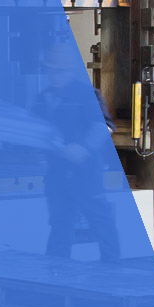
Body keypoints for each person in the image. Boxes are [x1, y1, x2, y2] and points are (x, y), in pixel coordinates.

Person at [33, 41, 122, 262]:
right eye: (51, 71)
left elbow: (104, 126)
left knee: (100, 221)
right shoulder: (43, 99)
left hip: (85, 172)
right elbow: (35, 127)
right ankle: (56, 271)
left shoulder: (86, 95)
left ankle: (113, 268)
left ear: (71, 70)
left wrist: (84, 148)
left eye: (60, 71)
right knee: (60, 224)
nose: (55, 76)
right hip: (57, 174)